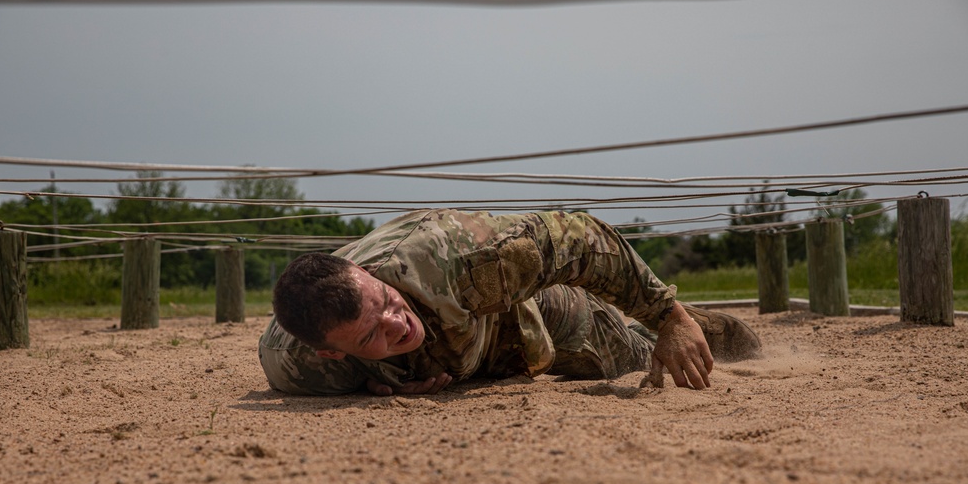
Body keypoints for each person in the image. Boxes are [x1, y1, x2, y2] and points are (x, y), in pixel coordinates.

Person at [259, 208, 760, 396]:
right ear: (332, 352)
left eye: (387, 302)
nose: (398, 325)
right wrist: (374, 379)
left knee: (633, 351)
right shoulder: (299, 366)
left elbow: (582, 238)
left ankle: (710, 330)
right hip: (466, 355)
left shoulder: (459, 253)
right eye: (373, 335)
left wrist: (667, 316)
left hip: (517, 315)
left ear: (369, 276)